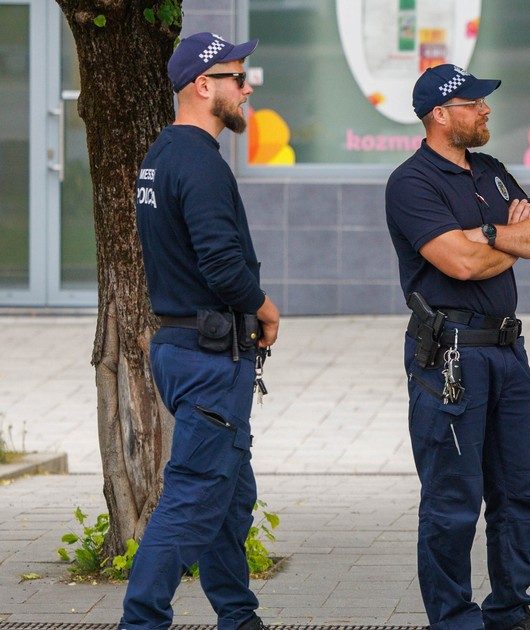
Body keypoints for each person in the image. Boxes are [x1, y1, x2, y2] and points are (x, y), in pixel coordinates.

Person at [385, 64, 530, 630]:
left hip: (508, 352)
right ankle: (454, 618)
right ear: (439, 114)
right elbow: (457, 263)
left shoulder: (491, 169)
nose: (485, 109)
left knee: (523, 492)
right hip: (451, 357)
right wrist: (506, 240)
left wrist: (485, 238)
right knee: (454, 502)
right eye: (473, 102)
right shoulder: (412, 183)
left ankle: (509, 609)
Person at [121, 32, 280, 630]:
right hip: (210, 357)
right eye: (237, 78)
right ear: (201, 85)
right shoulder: (200, 162)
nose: (246, 88)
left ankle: (239, 619)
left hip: (185, 347)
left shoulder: (161, 155)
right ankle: (141, 621)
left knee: (229, 500)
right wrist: (265, 307)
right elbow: (219, 264)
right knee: (192, 499)